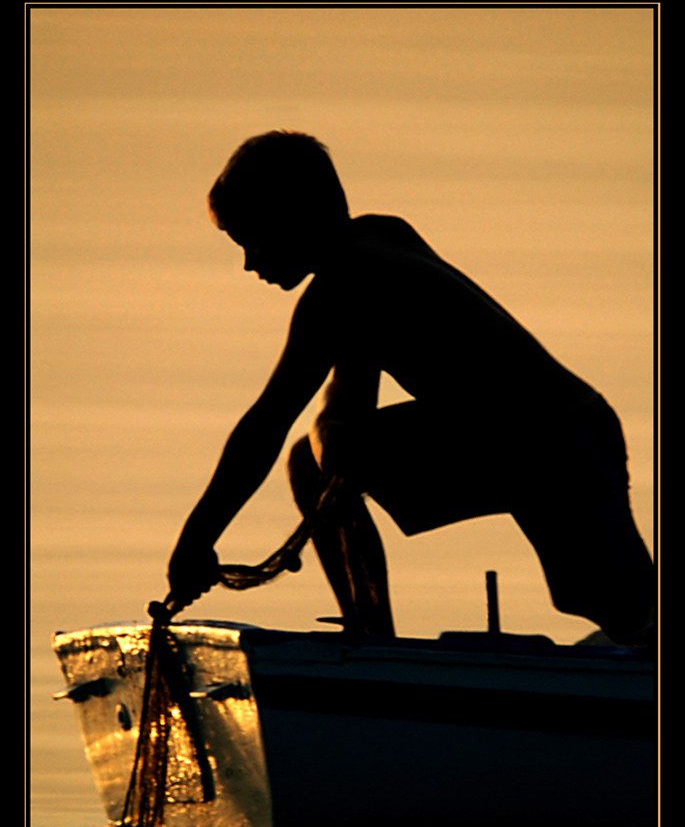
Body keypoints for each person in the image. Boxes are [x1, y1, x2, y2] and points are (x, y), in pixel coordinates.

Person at [166, 130, 654, 646]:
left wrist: (196, 539)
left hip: (559, 444)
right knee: (311, 463)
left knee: (626, 612)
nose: (249, 263)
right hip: (515, 439)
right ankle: (371, 634)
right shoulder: (381, 238)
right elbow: (350, 400)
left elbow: (267, 423)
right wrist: (331, 432)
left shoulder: (344, 285)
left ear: (293, 216)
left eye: (252, 240)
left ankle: (374, 645)